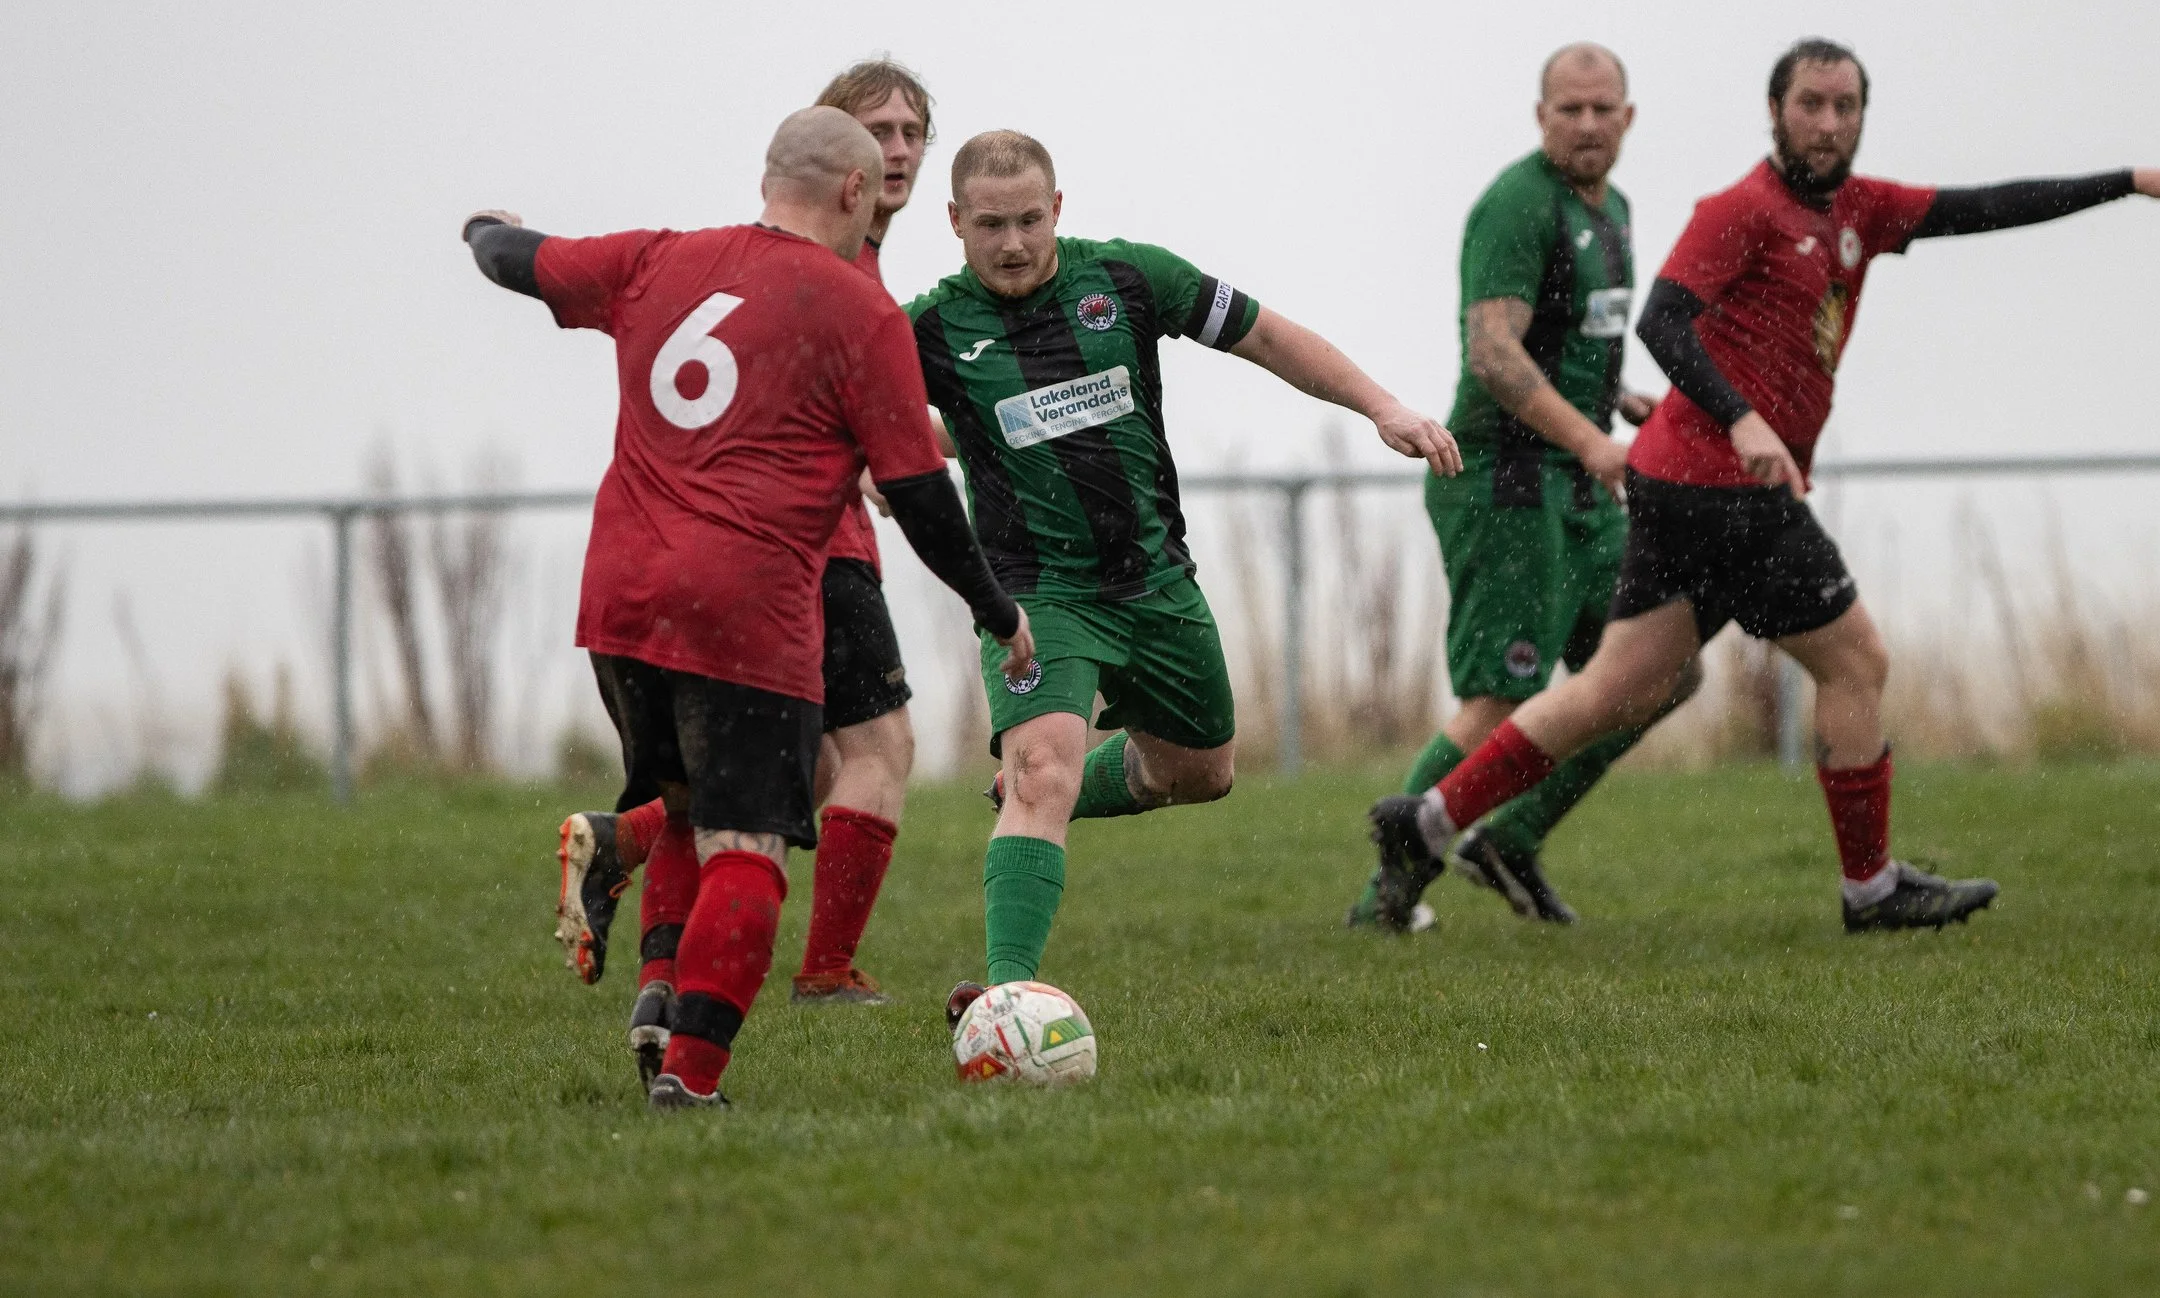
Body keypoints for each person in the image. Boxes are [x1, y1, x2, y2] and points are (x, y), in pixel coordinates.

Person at [1362, 38, 2160, 934]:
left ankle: (1424, 823)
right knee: (1856, 660)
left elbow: (1980, 209)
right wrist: (1737, 415)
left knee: (1617, 687)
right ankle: (1872, 889)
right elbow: (1663, 318)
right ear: (1775, 112)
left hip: (1680, 483)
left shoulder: (1861, 209)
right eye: (1808, 104)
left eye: (1843, 106)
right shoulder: (1739, 208)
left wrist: (2125, 181)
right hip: (1719, 488)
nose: (1826, 121)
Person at [465, 106, 1034, 1108]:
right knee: (748, 842)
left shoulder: (655, 258)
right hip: (747, 608)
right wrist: (996, 609)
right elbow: (918, 492)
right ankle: (690, 1078)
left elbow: (517, 259)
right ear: (857, 193)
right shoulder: (860, 313)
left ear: (770, 176)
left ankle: (657, 997)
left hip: (621, 602)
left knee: (681, 811)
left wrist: (483, 230)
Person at [912, 129, 1460, 1032]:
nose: (1010, 243)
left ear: (1058, 209)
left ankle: (1028, 796)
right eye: (988, 225)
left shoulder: (1128, 280)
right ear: (955, 223)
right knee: (1047, 763)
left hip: (1157, 584)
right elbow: (852, 412)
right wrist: (874, 468)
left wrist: (1382, 406)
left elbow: (1269, 337)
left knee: (1201, 772)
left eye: (1026, 221)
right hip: (1039, 597)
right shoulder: (930, 327)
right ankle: (1005, 995)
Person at [550, 61, 948, 1063]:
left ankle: (645, 926)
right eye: (877, 131)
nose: (895, 148)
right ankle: (822, 974)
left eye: (911, 130)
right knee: (876, 750)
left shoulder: (818, 270)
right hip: (802, 559)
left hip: (680, 571)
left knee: (751, 781)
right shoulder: (835, 280)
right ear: (840, 167)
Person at [1346, 44, 1702, 933]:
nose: (1586, 124)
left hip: (1576, 480)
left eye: (1602, 109)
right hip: (1505, 485)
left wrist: (1616, 400)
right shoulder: (1516, 205)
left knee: (1662, 670)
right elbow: (1495, 353)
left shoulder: (1611, 206)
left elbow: (1561, 339)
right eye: (1569, 109)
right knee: (1501, 697)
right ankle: (1384, 901)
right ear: (1539, 115)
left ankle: (1512, 837)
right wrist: (1596, 442)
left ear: (1629, 117)